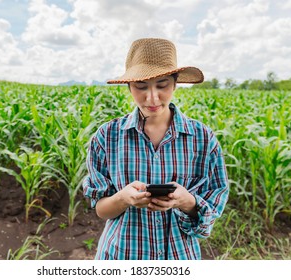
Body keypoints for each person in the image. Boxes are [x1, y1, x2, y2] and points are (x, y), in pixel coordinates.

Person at [82, 38, 229, 260]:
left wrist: (186, 201)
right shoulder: (107, 137)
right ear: (129, 86)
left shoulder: (202, 138)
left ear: (175, 83)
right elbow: (101, 209)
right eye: (141, 87)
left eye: (162, 85)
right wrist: (122, 198)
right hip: (121, 255)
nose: (152, 98)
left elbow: (212, 208)